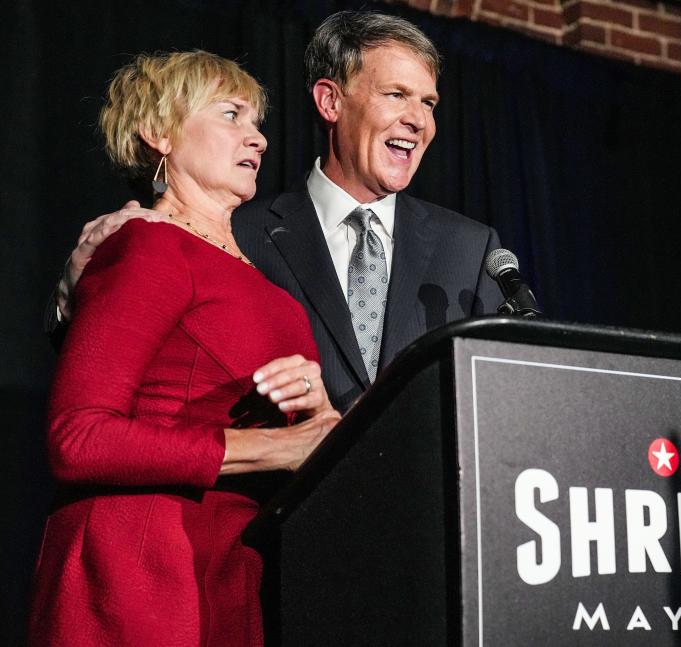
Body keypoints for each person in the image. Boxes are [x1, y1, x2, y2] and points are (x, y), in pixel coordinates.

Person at [30, 51, 340, 647]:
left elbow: (304, 450)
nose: (258, 139)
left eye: (259, 124)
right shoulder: (149, 246)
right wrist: (277, 444)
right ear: (159, 133)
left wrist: (320, 415)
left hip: (232, 568)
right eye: (232, 114)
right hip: (140, 577)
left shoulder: (264, 277)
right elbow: (79, 438)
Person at [52, 11, 504, 413]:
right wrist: (70, 296)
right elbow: (120, 372)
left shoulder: (470, 248)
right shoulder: (231, 235)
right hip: (272, 500)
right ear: (330, 101)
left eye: (428, 103)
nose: (419, 120)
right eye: (396, 95)